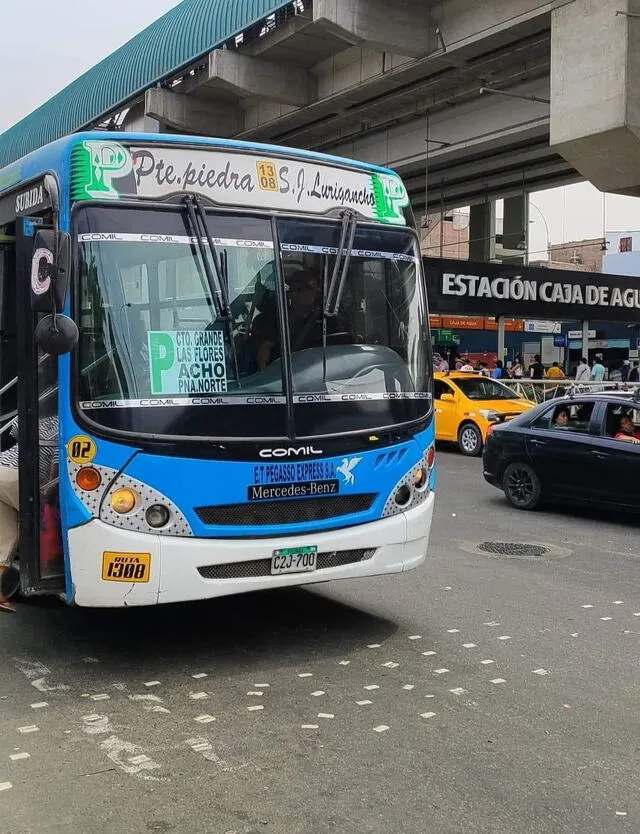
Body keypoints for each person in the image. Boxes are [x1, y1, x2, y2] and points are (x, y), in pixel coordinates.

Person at [0, 415, 59, 613]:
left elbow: (15, 431)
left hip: (1, 467)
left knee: (7, 537)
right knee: (43, 526)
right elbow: (55, 474)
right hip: (20, 478)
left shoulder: (43, 419)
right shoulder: (69, 429)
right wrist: (48, 498)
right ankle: (52, 575)